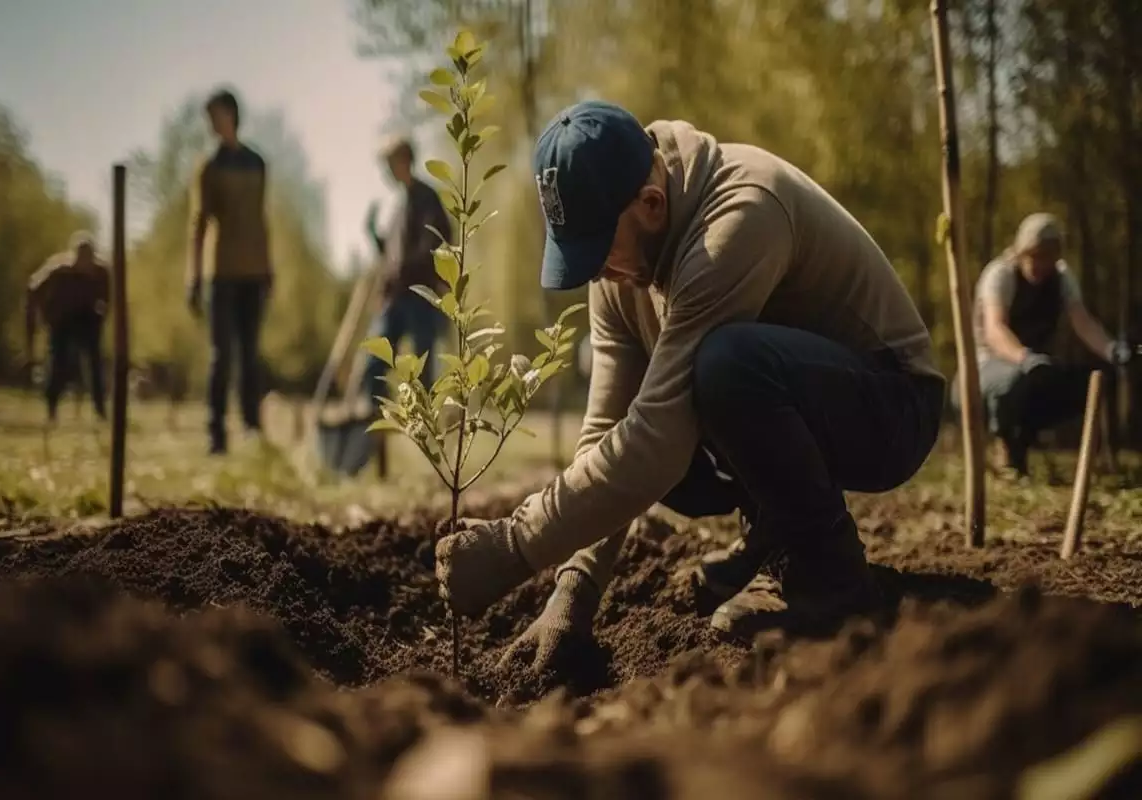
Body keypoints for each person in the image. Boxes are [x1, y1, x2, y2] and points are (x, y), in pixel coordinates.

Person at [433, 100, 947, 675]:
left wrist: (512, 548)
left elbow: (658, 438)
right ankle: (773, 541)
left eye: (599, 252)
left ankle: (831, 579)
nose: (597, 274)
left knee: (724, 368)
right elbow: (608, 426)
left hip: (894, 406)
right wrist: (572, 592)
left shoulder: (740, 216)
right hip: (806, 399)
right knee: (666, 420)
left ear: (651, 205)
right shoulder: (620, 267)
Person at [971, 213, 1132, 477]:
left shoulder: (1062, 277)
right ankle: (1004, 447)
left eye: (1047, 256)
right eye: (1034, 255)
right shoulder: (1000, 274)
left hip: (1037, 367)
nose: (1040, 263)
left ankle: (1027, 442)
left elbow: (1082, 322)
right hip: (988, 368)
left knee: (1087, 382)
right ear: (1021, 252)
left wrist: (1111, 349)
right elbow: (994, 330)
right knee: (1014, 382)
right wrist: (1024, 358)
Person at [187, 88, 273, 455]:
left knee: (250, 354)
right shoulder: (208, 167)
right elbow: (199, 223)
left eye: (216, 115)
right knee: (222, 355)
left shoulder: (257, 163)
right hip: (220, 272)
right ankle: (216, 433)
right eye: (208, 118)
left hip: (254, 271)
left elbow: (260, 218)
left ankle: (253, 427)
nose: (211, 124)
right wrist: (192, 277)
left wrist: (269, 267)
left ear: (232, 115)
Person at [361, 136, 452, 404]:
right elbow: (392, 255)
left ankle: (428, 432)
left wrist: (407, 269)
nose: (388, 171)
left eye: (391, 163)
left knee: (423, 370)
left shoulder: (427, 198)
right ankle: (376, 430)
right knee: (374, 364)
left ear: (404, 161)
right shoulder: (400, 204)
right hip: (396, 298)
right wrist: (375, 236)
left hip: (420, 297)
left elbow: (435, 244)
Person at [26, 231, 110, 423]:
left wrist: (100, 317)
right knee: (58, 364)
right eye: (81, 258)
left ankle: (100, 411)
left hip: (88, 318)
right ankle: (51, 409)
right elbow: (33, 287)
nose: (85, 264)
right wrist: (43, 316)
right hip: (61, 320)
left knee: (94, 363)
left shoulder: (101, 273)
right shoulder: (58, 270)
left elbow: (107, 300)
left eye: (89, 258)